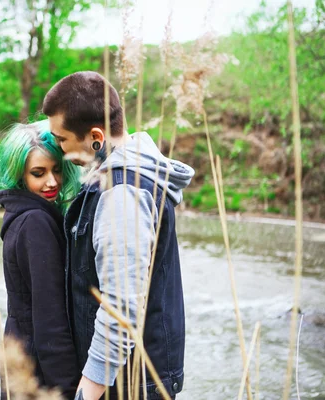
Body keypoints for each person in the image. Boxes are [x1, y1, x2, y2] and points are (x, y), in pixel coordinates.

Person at [42, 71, 195, 400]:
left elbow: (121, 308)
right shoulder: (117, 177)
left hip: (131, 385)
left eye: (62, 138)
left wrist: (90, 388)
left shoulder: (122, 193)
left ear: (96, 136)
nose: (57, 146)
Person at [0, 120, 82, 399]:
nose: (52, 181)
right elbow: (49, 317)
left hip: (21, 359)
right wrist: (67, 388)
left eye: (57, 170)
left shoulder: (18, 214)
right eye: (38, 173)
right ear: (19, 175)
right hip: (39, 373)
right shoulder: (36, 223)